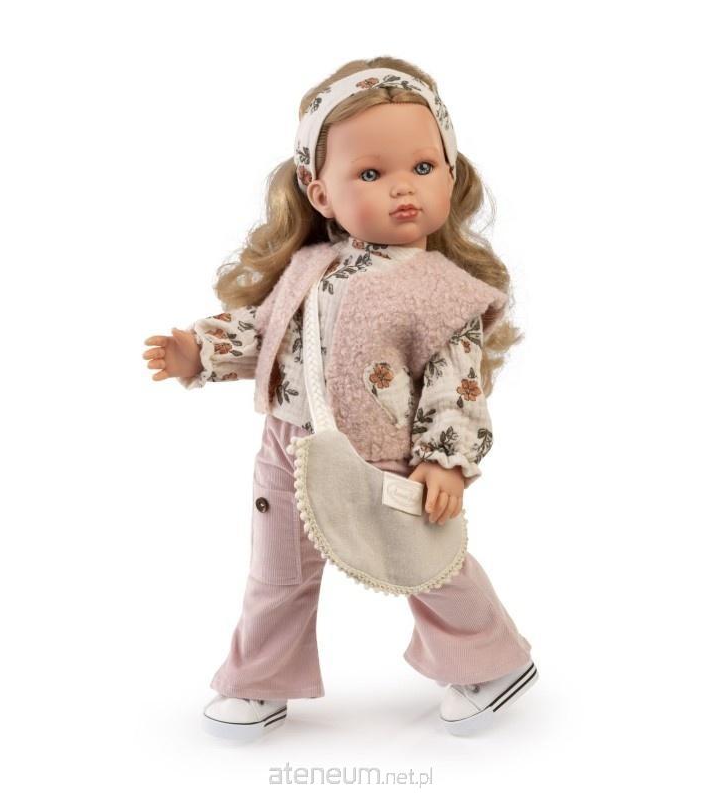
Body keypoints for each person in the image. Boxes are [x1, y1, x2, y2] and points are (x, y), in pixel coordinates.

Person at [143, 56, 537, 740]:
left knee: (427, 565)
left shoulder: (444, 291)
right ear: (318, 192)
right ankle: (259, 678)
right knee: (276, 574)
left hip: (383, 457)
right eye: (370, 174)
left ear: (450, 175)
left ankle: (491, 662)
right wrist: (199, 352)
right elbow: (267, 332)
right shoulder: (308, 267)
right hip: (286, 450)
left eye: (424, 167)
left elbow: (458, 384)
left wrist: (445, 461)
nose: (403, 188)